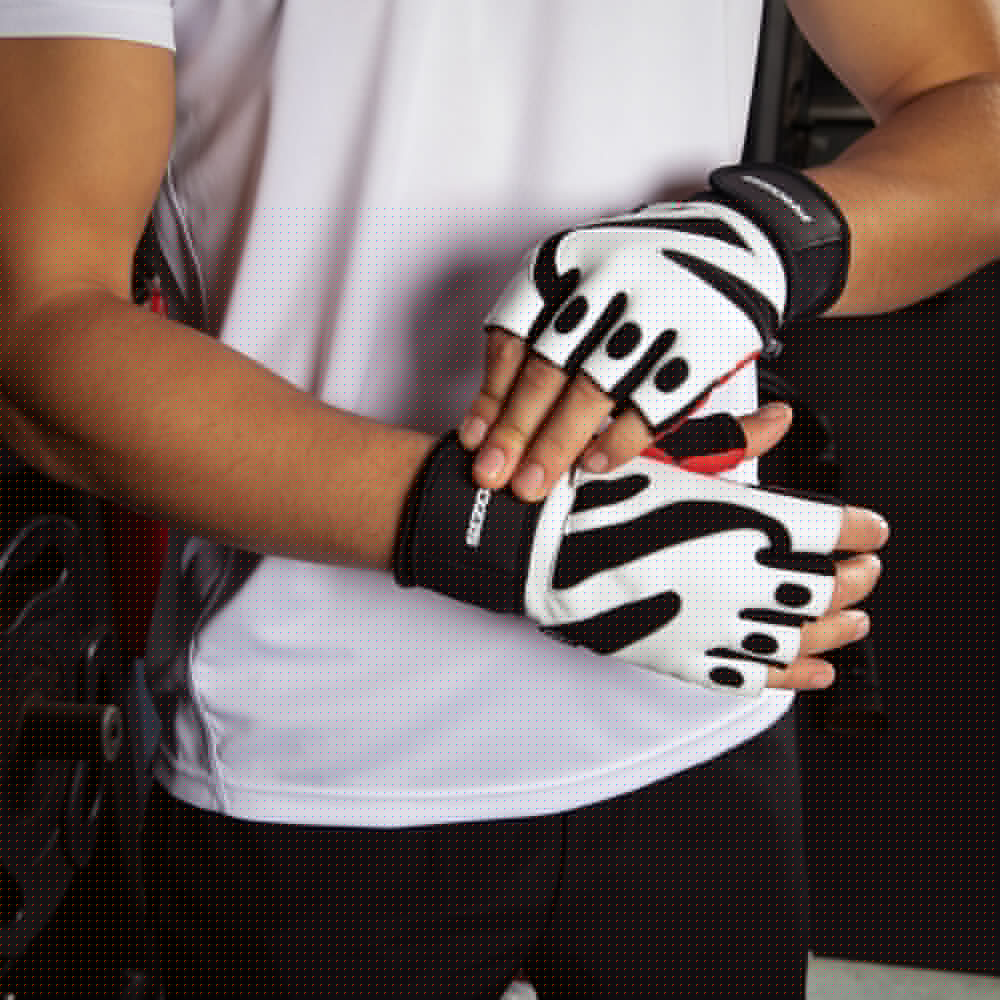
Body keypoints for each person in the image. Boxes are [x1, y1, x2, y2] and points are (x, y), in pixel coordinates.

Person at [0, 1, 995, 996]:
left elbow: (970, 106)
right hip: (323, 755)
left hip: (692, 701)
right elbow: (39, 324)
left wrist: (767, 243)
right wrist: (513, 540)